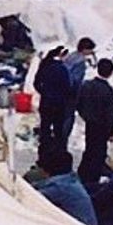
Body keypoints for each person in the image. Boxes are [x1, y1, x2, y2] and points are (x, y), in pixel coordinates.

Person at [31, 45, 76, 175]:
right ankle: (56, 154)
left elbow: (36, 83)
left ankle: (43, 154)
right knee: (58, 131)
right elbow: (68, 86)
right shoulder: (62, 69)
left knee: (45, 128)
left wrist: (44, 92)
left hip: (46, 102)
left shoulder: (45, 65)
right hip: (59, 104)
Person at [76, 56, 113, 184]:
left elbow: (79, 103)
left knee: (90, 148)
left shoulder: (87, 86)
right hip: (102, 127)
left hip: (90, 123)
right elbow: (111, 114)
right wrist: (112, 131)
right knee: (99, 152)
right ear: (111, 73)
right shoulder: (108, 92)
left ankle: (84, 173)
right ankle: (92, 177)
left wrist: (85, 116)